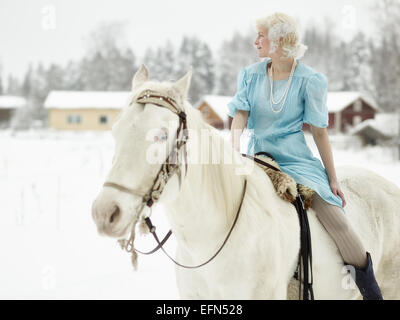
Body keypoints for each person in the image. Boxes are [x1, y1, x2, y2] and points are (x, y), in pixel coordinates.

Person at [228, 12, 383, 300]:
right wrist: (234, 149)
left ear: (278, 40)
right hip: (259, 160)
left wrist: (332, 179)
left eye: (260, 35)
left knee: (336, 220)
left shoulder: (310, 80)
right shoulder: (250, 75)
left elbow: (320, 132)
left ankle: (370, 291)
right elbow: (240, 113)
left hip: (297, 162)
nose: (255, 41)